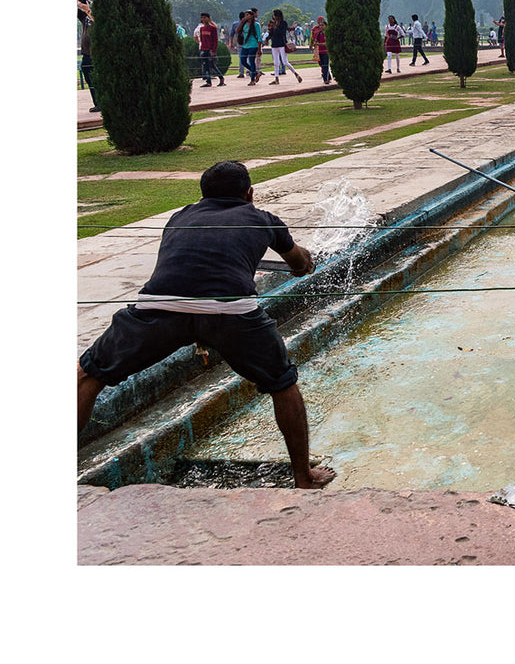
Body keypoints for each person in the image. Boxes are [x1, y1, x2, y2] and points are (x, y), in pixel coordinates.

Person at [77, 161, 335, 489]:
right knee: (282, 384)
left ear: (203, 195)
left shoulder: (180, 217)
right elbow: (298, 262)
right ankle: (304, 477)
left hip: (159, 307)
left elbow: (188, 268)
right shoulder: (262, 219)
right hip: (231, 312)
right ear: (249, 193)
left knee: (88, 374)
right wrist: (304, 263)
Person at [265, 9, 302, 85]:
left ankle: (296, 74)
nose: (273, 16)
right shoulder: (273, 24)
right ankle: (276, 79)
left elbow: (282, 33)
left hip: (281, 44)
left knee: (285, 62)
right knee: (276, 63)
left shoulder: (283, 23)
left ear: (277, 16)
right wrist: (267, 39)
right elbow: (271, 34)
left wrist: (275, 27)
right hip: (274, 45)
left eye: (274, 15)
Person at [196, 12, 225, 87]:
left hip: (210, 49)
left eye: (205, 18)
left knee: (212, 65)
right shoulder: (202, 28)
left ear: (209, 18)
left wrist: (213, 51)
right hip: (204, 49)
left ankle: (221, 77)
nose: (203, 19)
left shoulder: (212, 28)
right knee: (205, 66)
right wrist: (201, 48)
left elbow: (215, 40)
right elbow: (201, 40)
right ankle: (208, 81)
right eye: (202, 18)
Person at [310, 15, 332, 85]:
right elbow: (313, 38)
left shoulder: (328, 33)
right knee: (322, 65)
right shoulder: (317, 31)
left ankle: (325, 79)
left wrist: (318, 44)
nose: (321, 26)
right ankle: (327, 77)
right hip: (319, 51)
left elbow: (326, 43)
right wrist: (313, 43)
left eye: (322, 25)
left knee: (325, 65)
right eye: (320, 25)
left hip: (326, 51)